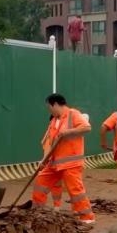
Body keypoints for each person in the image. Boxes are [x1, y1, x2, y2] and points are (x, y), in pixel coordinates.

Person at [32, 93, 95, 225]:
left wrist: (68, 132)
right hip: (54, 163)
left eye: (49, 107)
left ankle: (87, 217)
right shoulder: (54, 121)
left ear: (55, 104)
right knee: (40, 184)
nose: (49, 110)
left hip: (71, 162)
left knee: (76, 191)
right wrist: (44, 160)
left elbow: (87, 127)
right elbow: (50, 143)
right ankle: (37, 212)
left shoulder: (73, 114)